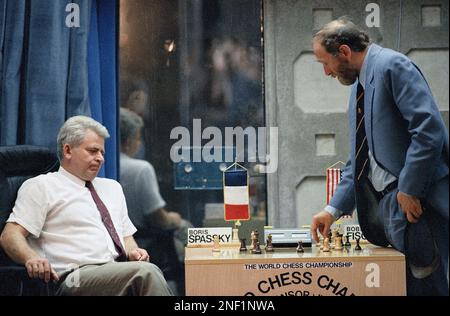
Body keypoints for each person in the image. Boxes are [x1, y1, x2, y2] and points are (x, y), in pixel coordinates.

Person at [310, 18, 448, 296]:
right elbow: (360, 159)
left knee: (427, 288)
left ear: (345, 51)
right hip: (391, 211)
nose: (326, 72)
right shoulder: (357, 88)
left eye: (325, 63)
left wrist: (409, 188)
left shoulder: (392, 66)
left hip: (417, 206)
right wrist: (332, 210)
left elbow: (429, 131)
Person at [0, 116, 172, 296]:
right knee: (146, 273)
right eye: (93, 151)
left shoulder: (112, 188)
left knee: (144, 269)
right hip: (73, 277)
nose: (100, 159)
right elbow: (10, 235)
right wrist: (31, 258)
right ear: (67, 150)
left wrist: (134, 252)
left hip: (116, 272)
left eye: (102, 153)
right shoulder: (41, 186)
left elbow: (126, 237)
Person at [119, 108, 192, 291]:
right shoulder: (140, 169)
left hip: (131, 242)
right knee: (185, 227)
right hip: (144, 243)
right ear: (128, 141)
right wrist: (173, 219)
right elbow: (158, 218)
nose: (139, 143)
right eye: (138, 138)